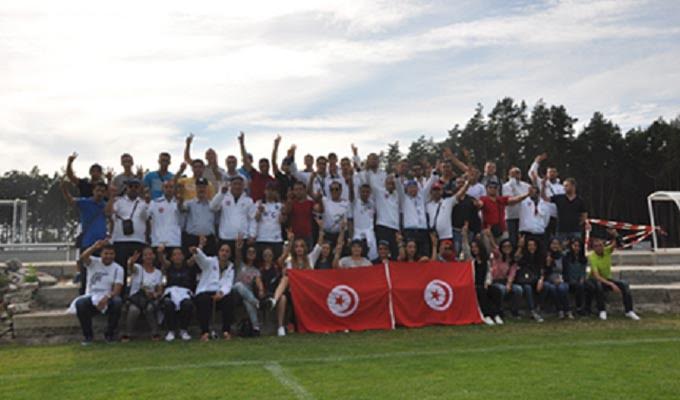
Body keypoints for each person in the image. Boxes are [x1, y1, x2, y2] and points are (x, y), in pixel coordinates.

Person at [70, 240, 124, 345]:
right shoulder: (94, 262)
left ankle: (110, 335)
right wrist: (94, 247)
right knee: (80, 304)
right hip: (91, 297)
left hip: (107, 299)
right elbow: (83, 257)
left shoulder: (118, 268)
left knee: (117, 302)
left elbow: (117, 289)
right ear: (101, 254)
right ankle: (88, 336)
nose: (108, 256)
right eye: (106, 253)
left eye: (111, 254)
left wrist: (107, 297)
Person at [61, 179, 108, 294]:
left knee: (102, 272)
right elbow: (71, 201)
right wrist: (64, 189)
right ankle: (83, 297)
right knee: (85, 273)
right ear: (93, 191)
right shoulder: (85, 202)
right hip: (87, 243)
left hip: (102, 244)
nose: (100, 193)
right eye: (98, 190)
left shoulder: (105, 205)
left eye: (102, 191)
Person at [105, 178, 149, 292]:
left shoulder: (143, 203)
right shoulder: (118, 201)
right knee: (121, 270)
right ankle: (120, 294)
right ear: (126, 188)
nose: (133, 189)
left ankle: (136, 294)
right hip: (120, 240)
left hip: (138, 240)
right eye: (130, 187)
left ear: (139, 189)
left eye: (136, 187)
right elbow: (108, 213)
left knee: (138, 270)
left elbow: (147, 219)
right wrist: (111, 197)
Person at [190, 236, 235, 341]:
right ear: (218, 252)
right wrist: (197, 250)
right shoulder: (210, 262)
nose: (224, 253)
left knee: (229, 299)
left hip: (219, 294)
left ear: (230, 254)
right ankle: (204, 332)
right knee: (203, 300)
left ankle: (226, 331)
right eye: (222, 250)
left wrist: (221, 293)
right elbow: (202, 259)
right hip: (205, 292)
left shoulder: (231, 267)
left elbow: (228, 283)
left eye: (227, 251)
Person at [587, 235, 640, 321]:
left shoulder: (607, 251)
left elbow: (615, 243)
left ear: (603, 246)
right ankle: (602, 310)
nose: (599, 248)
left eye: (600, 245)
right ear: (593, 248)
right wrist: (611, 284)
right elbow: (597, 276)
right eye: (596, 246)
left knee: (624, 284)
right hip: (595, 280)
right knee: (599, 286)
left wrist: (615, 234)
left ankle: (629, 311)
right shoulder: (592, 257)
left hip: (607, 278)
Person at [396, 163, 437, 259]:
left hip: (423, 231)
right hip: (410, 231)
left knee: (424, 256)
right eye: (410, 187)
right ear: (406, 189)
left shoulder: (421, 196)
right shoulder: (404, 198)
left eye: (414, 187)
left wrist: (434, 172)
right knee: (410, 257)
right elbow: (398, 186)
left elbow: (430, 183)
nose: (412, 189)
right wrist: (398, 174)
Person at [122, 247, 163, 342]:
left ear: (154, 256)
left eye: (150, 254)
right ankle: (127, 333)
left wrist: (155, 294)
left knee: (149, 308)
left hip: (150, 299)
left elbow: (160, 290)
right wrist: (131, 261)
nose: (148, 257)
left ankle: (155, 332)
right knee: (133, 310)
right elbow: (130, 267)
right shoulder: (138, 268)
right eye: (146, 255)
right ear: (142, 257)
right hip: (136, 298)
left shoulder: (158, 272)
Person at [461, 231, 501, 325]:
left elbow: (488, 273)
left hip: (484, 284)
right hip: (475, 285)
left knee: (496, 291)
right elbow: (466, 249)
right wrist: (464, 236)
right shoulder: (471, 261)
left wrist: (487, 282)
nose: (474, 249)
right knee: (481, 292)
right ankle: (486, 314)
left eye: (476, 247)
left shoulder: (485, 261)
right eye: (473, 247)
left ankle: (496, 314)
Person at [210, 175, 253, 259]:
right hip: (225, 237)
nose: (237, 186)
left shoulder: (248, 201)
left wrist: (252, 234)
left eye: (239, 184)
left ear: (243, 186)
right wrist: (221, 194)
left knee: (240, 264)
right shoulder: (223, 197)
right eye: (235, 184)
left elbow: (252, 219)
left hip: (242, 238)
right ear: (230, 185)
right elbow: (212, 207)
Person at [159, 247, 195, 342]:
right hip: (171, 291)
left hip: (185, 292)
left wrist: (200, 247)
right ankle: (171, 330)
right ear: (171, 258)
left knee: (187, 304)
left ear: (183, 256)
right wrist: (160, 252)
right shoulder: (169, 266)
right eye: (175, 254)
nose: (177, 256)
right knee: (168, 303)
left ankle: (184, 330)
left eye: (179, 254)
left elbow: (196, 256)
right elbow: (162, 260)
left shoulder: (187, 265)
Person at [484, 231, 522, 319]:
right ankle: (500, 310)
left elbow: (512, 272)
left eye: (509, 246)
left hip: (506, 281)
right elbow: (493, 246)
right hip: (496, 281)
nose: (507, 248)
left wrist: (509, 283)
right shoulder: (498, 255)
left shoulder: (513, 259)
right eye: (505, 246)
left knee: (518, 289)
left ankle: (514, 311)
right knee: (501, 289)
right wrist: (490, 237)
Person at [232, 237, 265, 337]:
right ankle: (257, 303)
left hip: (247, 294)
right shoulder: (240, 264)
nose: (251, 253)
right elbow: (238, 254)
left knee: (247, 301)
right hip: (235, 292)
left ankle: (256, 328)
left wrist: (261, 290)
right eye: (249, 252)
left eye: (253, 252)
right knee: (239, 285)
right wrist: (238, 247)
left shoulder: (256, 270)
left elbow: (259, 281)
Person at [541, 177, 589, 243]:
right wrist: (543, 186)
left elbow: (584, 214)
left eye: (567, 186)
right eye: (564, 186)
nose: (564, 188)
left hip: (575, 230)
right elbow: (545, 198)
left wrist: (579, 223)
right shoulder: (559, 198)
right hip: (561, 230)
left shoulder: (579, 200)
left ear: (573, 186)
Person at [529, 153, 564, 237]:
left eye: (554, 172)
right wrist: (537, 161)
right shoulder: (541, 183)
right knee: (544, 236)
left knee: (555, 238)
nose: (552, 173)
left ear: (557, 173)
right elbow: (532, 173)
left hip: (556, 215)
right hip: (544, 214)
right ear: (547, 173)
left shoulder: (562, 187)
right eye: (550, 172)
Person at [427, 178, 469, 246]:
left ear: (442, 191)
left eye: (438, 190)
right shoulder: (427, 205)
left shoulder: (447, 202)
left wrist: (468, 183)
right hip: (432, 237)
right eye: (434, 190)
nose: (436, 192)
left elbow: (460, 193)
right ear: (431, 192)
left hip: (446, 236)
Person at [181, 178, 217, 256]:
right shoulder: (189, 203)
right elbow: (182, 208)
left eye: (203, 187)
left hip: (209, 240)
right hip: (192, 239)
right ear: (196, 188)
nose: (201, 189)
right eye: (199, 187)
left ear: (207, 189)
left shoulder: (212, 205)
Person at [252, 182, 286, 260]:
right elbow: (255, 219)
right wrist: (259, 211)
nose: (270, 192)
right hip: (261, 238)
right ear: (265, 191)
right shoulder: (258, 203)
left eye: (272, 190)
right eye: (268, 190)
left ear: (276, 192)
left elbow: (282, 221)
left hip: (276, 239)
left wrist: (283, 213)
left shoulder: (280, 205)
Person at [514, 236, 545, 322]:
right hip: (525, 280)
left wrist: (541, 279)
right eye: (529, 245)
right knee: (527, 288)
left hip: (536, 278)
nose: (531, 247)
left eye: (533, 245)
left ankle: (539, 308)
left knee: (545, 286)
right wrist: (520, 246)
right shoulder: (524, 256)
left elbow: (542, 269)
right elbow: (516, 258)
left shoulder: (540, 256)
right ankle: (532, 310)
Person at [239, 132, 275, 202]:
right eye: (261, 166)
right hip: (254, 206)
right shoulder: (255, 175)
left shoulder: (272, 180)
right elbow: (246, 161)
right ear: (259, 167)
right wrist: (242, 144)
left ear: (269, 166)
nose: (263, 168)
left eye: (265, 166)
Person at [147, 180, 183, 252]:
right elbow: (145, 217)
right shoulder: (154, 203)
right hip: (158, 241)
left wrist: (180, 205)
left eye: (171, 187)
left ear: (174, 189)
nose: (169, 189)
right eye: (166, 187)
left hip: (174, 241)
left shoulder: (179, 204)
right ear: (162, 188)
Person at [259, 247, 286, 336]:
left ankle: (280, 326)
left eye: (270, 255)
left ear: (273, 256)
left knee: (283, 298)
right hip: (265, 293)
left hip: (276, 293)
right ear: (263, 256)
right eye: (265, 255)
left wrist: (290, 241)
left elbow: (285, 254)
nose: (268, 257)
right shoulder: (260, 268)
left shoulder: (277, 266)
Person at [542, 239, 573, 319]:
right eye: (553, 244)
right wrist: (548, 264)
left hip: (561, 279)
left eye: (556, 244)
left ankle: (567, 309)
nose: (554, 246)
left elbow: (567, 271)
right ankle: (560, 310)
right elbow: (545, 273)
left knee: (562, 288)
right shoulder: (546, 256)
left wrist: (561, 280)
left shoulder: (563, 257)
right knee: (552, 288)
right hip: (550, 280)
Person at [316, 181, 350, 250]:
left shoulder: (347, 203)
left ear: (341, 190)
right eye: (332, 189)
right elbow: (311, 194)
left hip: (341, 234)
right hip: (328, 235)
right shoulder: (325, 201)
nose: (334, 191)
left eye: (336, 189)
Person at [503, 166, 531, 247]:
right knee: (513, 241)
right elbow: (510, 201)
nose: (516, 176)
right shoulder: (506, 186)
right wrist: (525, 195)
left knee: (525, 241)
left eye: (518, 173)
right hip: (512, 217)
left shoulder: (526, 186)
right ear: (509, 175)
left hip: (524, 217)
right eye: (513, 174)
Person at [349, 183, 377, 261]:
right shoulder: (355, 202)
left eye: (367, 192)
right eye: (363, 191)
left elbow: (373, 217)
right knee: (357, 256)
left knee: (372, 257)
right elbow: (351, 195)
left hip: (369, 234)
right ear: (359, 192)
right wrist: (350, 183)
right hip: (358, 234)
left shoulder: (372, 204)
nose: (365, 194)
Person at [285, 181, 316, 249]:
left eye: (300, 189)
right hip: (295, 236)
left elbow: (319, 210)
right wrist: (289, 198)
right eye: (296, 190)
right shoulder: (292, 203)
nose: (298, 192)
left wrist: (317, 198)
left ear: (304, 190)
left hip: (307, 235)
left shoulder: (310, 203)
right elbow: (286, 211)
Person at [563, 239, 588, 315]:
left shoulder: (583, 258)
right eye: (575, 246)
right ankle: (579, 307)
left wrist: (582, 278)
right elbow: (566, 271)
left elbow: (583, 270)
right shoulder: (567, 257)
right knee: (578, 286)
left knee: (590, 286)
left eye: (578, 246)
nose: (576, 248)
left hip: (579, 279)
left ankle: (587, 308)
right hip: (569, 279)